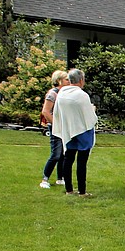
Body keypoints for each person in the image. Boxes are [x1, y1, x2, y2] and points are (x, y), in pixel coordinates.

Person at [52, 69, 98, 197]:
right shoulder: (82, 95)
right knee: (82, 161)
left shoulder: (61, 93)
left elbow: (58, 112)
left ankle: (69, 189)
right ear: (81, 80)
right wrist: (93, 110)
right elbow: (89, 115)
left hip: (69, 130)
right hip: (83, 130)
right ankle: (82, 191)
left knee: (68, 158)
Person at [39, 70, 69, 188]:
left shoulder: (64, 93)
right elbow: (46, 112)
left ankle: (60, 178)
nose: (69, 81)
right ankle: (45, 179)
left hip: (63, 127)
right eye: (66, 79)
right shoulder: (52, 94)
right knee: (56, 154)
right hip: (55, 127)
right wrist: (57, 125)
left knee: (63, 153)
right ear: (59, 81)